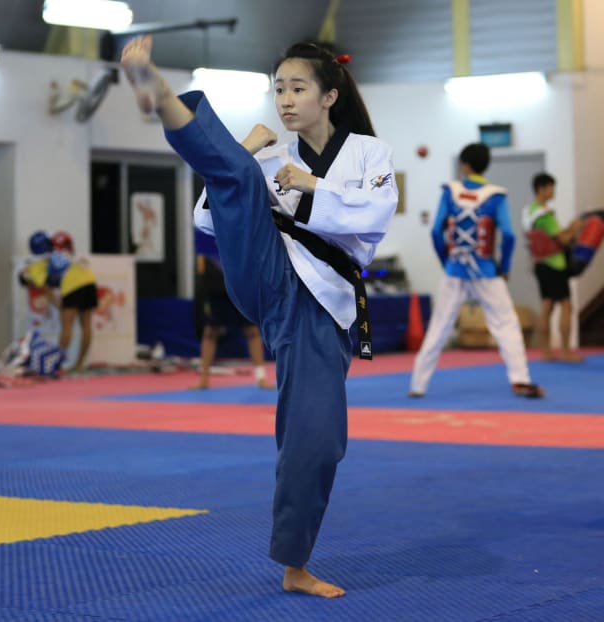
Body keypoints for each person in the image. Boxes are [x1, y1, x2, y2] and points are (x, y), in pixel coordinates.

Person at [121, 35, 398, 598]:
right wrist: (249, 147)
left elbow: (375, 213)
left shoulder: (370, 154)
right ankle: (162, 92)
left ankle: (295, 566)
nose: (286, 100)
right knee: (237, 176)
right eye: (279, 89)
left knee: (315, 440)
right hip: (266, 273)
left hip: (320, 304)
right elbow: (207, 217)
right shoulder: (273, 153)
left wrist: (311, 184)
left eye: (298, 88)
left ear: (330, 95)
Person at [408, 143, 544, 398]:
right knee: (506, 323)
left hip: (454, 270)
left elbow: (437, 231)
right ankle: (520, 379)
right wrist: (503, 266)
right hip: (486, 271)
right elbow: (510, 235)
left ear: (465, 165)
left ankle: (418, 384)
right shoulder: (496, 196)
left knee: (439, 326)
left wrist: (445, 260)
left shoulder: (450, 191)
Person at [194, 228, 269, 389]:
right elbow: (201, 257)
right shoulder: (204, 228)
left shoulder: (238, 226)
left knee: (252, 331)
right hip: (215, 287)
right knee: (210, 332)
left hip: (238, 285)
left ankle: (261, 377)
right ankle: (204, 379)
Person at [523, 173, 584, 362]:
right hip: (554, 263)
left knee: (547, 305)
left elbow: (548, 236)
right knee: (566, 305)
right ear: (542, 189)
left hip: (539, 263)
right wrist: (575, 228)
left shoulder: (529, 211)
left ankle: (546, 352)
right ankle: (565, 351)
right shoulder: (546, 214)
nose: (554, 191)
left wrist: (567, 230)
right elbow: (562, 239)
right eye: (551, 187)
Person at [21, 231, 99, 371]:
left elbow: (49, 292)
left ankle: (56, 364)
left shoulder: (33, 269)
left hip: (72, 285)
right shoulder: (55, 256)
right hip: (89, 280)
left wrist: (59, 306)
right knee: (86, 326)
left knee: (66, 327)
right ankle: (80, 364)